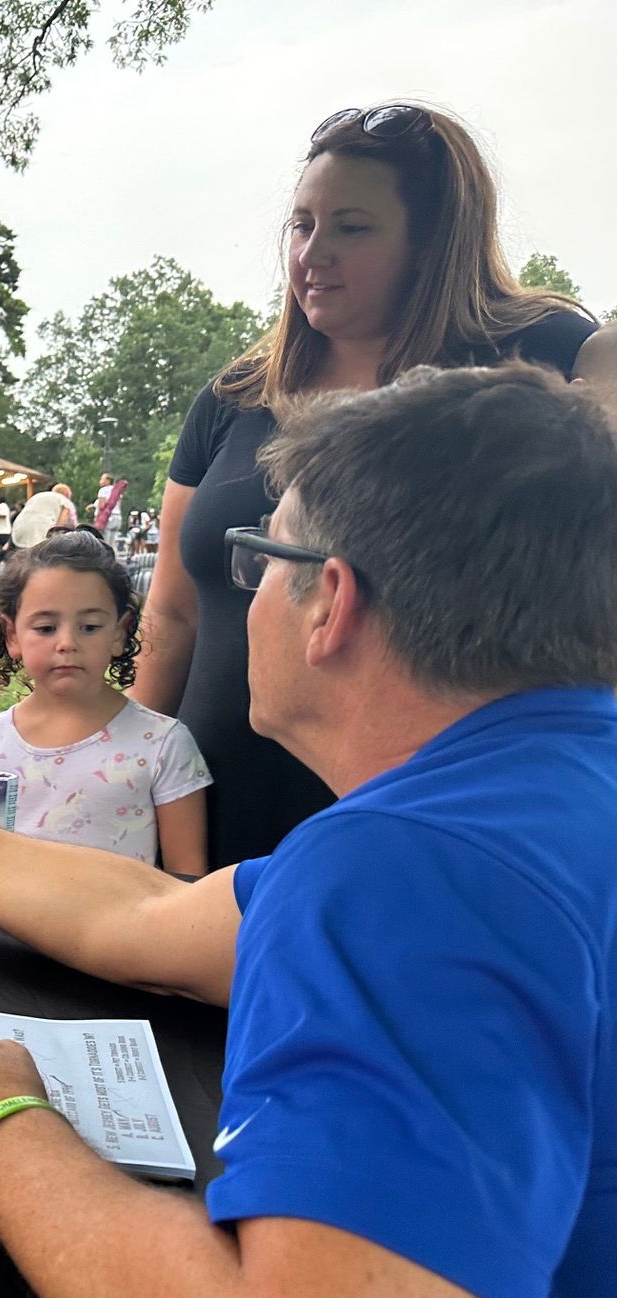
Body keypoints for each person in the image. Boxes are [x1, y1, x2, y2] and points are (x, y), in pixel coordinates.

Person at [0, 364, 617, 1298]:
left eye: (260, 559)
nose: (242, 596)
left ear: (331, 601)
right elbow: (148, 919)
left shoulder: (415, 866)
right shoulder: (536, 798)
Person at [135, 102, 599, 868]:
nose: (312, 253)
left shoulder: (539, 357)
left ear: (432, 242)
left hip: (429, 825)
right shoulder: (236, 395)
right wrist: (126, 764)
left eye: (352, 228)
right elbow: (173, 610)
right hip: (205, 808)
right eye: (302, 225)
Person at [0, 531, 207, 872]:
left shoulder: (163, 745)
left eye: (89, 626)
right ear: (12, 635)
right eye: (46, 628)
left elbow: (187, 880)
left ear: (119, 633)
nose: (67, 642)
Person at [8, 483, 80, 551]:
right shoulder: (65, 501)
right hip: (41, 532)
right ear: (67, 495)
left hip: (19, 528)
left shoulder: (38, 496)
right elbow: (61, 525)